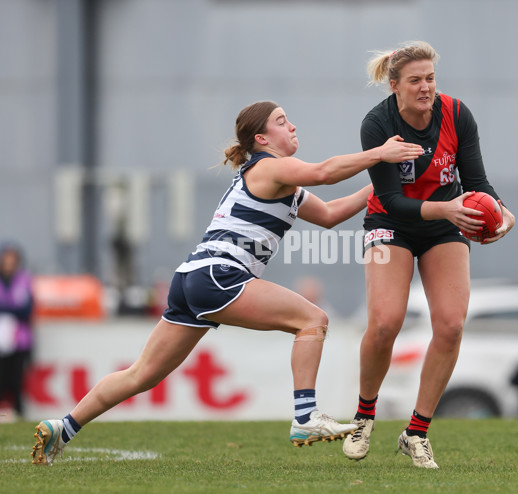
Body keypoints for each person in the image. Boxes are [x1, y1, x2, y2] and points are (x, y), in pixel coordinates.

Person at [31, 100, 424, 465]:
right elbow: (323, 172)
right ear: (261, 139)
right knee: (313, 320)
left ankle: (62, 428)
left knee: (141, 374)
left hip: (192, 278)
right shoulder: (269, 166)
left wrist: (381, 185)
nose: (292, 126)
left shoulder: (280, 180)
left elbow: (331, 214)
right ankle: (305, 415)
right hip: (220, 275)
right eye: (282, 121)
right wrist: (379, 154)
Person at [342, 41, 515, 468]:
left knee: (452, 325)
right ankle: (364, 417)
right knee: (385, 323)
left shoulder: (457, 114)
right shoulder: (377, 124)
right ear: (394, 85)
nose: (426, 88)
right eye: (415, 80)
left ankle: (416, 431)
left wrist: (501, 212)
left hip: (442, 225)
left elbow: (477, 181)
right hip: (389, 223)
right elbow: (391, 198)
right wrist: (450, 208)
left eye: (431, 78)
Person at [0, 242, 35, 421]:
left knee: (16, 380)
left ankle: (18, 413)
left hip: (19, 340)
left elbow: (27, 309)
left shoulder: (24, 279)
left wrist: (7, 310)